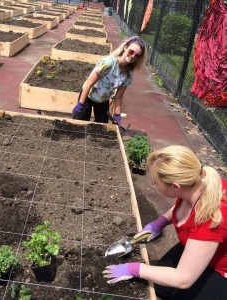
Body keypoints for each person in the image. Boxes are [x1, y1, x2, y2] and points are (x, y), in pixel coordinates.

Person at [103, 145, 227, 300]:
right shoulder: (199, 181)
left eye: (156, 182)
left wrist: (135, 268)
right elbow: (184, 204)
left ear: (176, 187)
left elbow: (183, 279)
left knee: (177, 291)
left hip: (221, 268)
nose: (154, 185)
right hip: (203, 244)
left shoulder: (209, 219)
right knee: (161, 287)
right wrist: (159, 223)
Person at [72, 36, 147, 126]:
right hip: (89, 95)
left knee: (102, 128)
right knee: (80, 124)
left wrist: (117, 114)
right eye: (131, 51)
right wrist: (80, 104)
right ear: (125, 47)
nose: (133, 56)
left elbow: (118, 97)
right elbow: (89, 83)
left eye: (137, 55)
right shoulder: (108, 64)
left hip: (103, 100)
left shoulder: (128, 74)